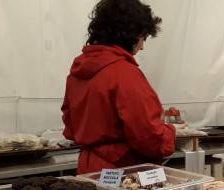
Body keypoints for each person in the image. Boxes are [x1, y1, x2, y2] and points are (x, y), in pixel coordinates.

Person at [62, 0, 177, 174]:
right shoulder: (124, 73)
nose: (142, 46)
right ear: (130, 34)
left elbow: (70, 128)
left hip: (88, 169)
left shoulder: (77, 72)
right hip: (124, 171)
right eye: (143, 37)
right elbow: (149, 136)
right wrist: (170, 131)